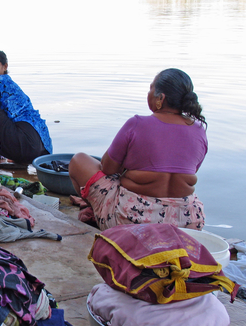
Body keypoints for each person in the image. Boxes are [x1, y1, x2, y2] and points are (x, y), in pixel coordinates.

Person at [69, 68, 208, 231]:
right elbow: (188, 169)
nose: (148, 94)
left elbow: (107, 168)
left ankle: (97, 210)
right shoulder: (199, 130)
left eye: (151, 89)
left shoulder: (137, 124)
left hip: (132, 221)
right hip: (186, 223)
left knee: (79, 160)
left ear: (160, 98)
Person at [0, 49, 52, 165]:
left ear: (5, 66)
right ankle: (2, 154)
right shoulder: (11, 85)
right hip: (41, 150)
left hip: (26, 144)